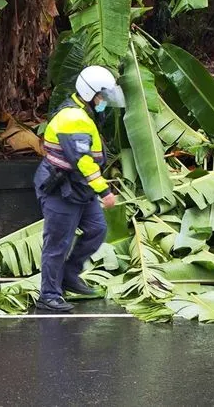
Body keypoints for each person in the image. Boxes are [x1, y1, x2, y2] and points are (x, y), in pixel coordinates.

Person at [33, 66, 125, 311]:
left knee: (97, 229)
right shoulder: (73, 119)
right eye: (102, 96)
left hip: (79, 188)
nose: (104, 101)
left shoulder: (84, 113)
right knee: (58, 243)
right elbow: (83, 161)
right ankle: (49, 295)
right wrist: (104, 191)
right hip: (61, 189)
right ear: (90, 94)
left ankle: (69, 275)